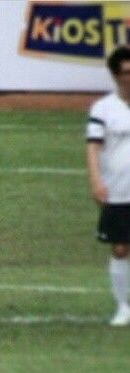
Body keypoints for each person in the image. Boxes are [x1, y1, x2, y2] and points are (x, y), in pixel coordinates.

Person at [86, 45, 130, 326]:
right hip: (117, 192)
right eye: (125, 72)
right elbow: (93, 147)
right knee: (120, 249)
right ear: (115, 75)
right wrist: (95, 180)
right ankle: (124, 306)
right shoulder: (103, 108)